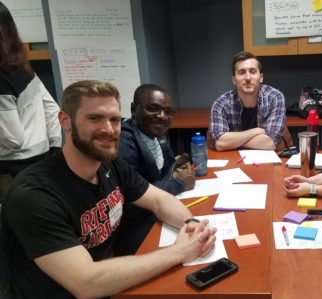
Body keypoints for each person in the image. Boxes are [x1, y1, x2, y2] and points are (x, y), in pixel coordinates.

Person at [1, 80, 216, 298]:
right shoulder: (33, 195)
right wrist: (179, 252)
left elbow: (160, 200)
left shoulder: (110, 165)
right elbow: (86, 283)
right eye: (94, 118)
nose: (108, 129)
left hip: (113, 277)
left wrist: (192, 226)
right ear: (65, 121)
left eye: (114, 120)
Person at [116, 83, 196, 256]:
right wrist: (179, 184)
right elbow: (134, 198)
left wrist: (177, 168)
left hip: (158, 211)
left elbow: (166, 169)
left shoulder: (154, 135)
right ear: (133, 109)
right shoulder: (125, 143)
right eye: (153, 109)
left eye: (168, 112)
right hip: (135, 227)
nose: (162, 116)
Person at [0, 1, 62, 176]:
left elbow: (12, 140)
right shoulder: (19, 65)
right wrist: (54, 148)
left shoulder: (2, 78)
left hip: (12, 167)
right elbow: (53, 110)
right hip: (41, 158)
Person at [209, 51, 286, 151]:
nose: (248, 78)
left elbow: (270, 143)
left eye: (253, 71)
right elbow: (219, 143)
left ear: (261, 77)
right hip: (233, 160)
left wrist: (231, 142)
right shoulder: (221, 104)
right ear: (233, 80)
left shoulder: (275, 97)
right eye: (241, 72)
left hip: (265, 161)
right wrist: (257, 131)